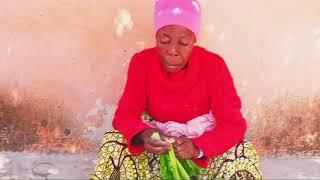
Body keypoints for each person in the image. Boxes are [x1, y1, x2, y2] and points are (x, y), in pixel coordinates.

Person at [91, 0, 262, 179]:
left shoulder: (213, 65)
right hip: (157, 154)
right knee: (113, 142)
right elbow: (125, 114)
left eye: (183, 43)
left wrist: (198, 148)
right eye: (164, 40)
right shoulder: (142, 62)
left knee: (243, 151)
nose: (172, 50)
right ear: (156, 37)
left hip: (203, 155)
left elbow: (233, 124)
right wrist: (144, 134)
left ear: (194, 40)